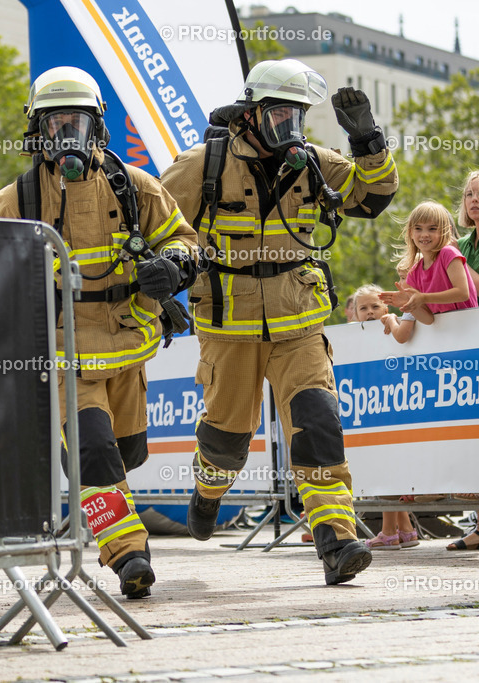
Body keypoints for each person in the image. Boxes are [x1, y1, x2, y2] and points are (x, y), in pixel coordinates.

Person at [160, 59, 399, 585]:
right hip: (228, 326)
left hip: (299, 321)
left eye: (298, 114)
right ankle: (208, 489)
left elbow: (372, 197)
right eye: (279, 113)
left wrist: (367, 141)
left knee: (317, 426)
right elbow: (158, 224)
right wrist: (163, 283)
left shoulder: (312, 161)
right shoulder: (203, 163)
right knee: (227, 439)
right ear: (251, 113)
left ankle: (335, 538)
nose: (290, 124)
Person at [0, 66, 198, 599]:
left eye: (75, 123)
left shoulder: (133, 186)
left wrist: (173, 265)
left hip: (128, 343)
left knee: (124, 454)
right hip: (66, 352)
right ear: (38, 130)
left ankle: (106, 512)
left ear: (96, 127)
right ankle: (128, 554)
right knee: (94, 454)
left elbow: (183, 238)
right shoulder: (16, 200)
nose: (66, 136)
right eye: (55, 123)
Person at [346, 284, 419, 549]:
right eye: (362, 308)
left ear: (386, 307)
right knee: (383, 464)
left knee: (389, 465)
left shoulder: (393, 324)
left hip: (395, 403)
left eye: (375, 307)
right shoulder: (354, 337)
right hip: (371, 406)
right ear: (353, 314)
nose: (369, 312)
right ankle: (406, 530)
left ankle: (389, 532)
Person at [380, 200, 478, 338]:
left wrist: (423, 298)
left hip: (470, 330)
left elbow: (462, 293)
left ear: (446, 231)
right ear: (411, 233)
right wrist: (409, 304)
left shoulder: (448, 253)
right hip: (447, 337)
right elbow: (428, 319)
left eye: (432, 229)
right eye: (418, 228)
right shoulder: (414, 273)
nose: (424, 234)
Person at [457, 170, 479, 288]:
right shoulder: (460, 244)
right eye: (469, 194)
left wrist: (458, 259)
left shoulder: (456, 250)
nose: (474, 199)